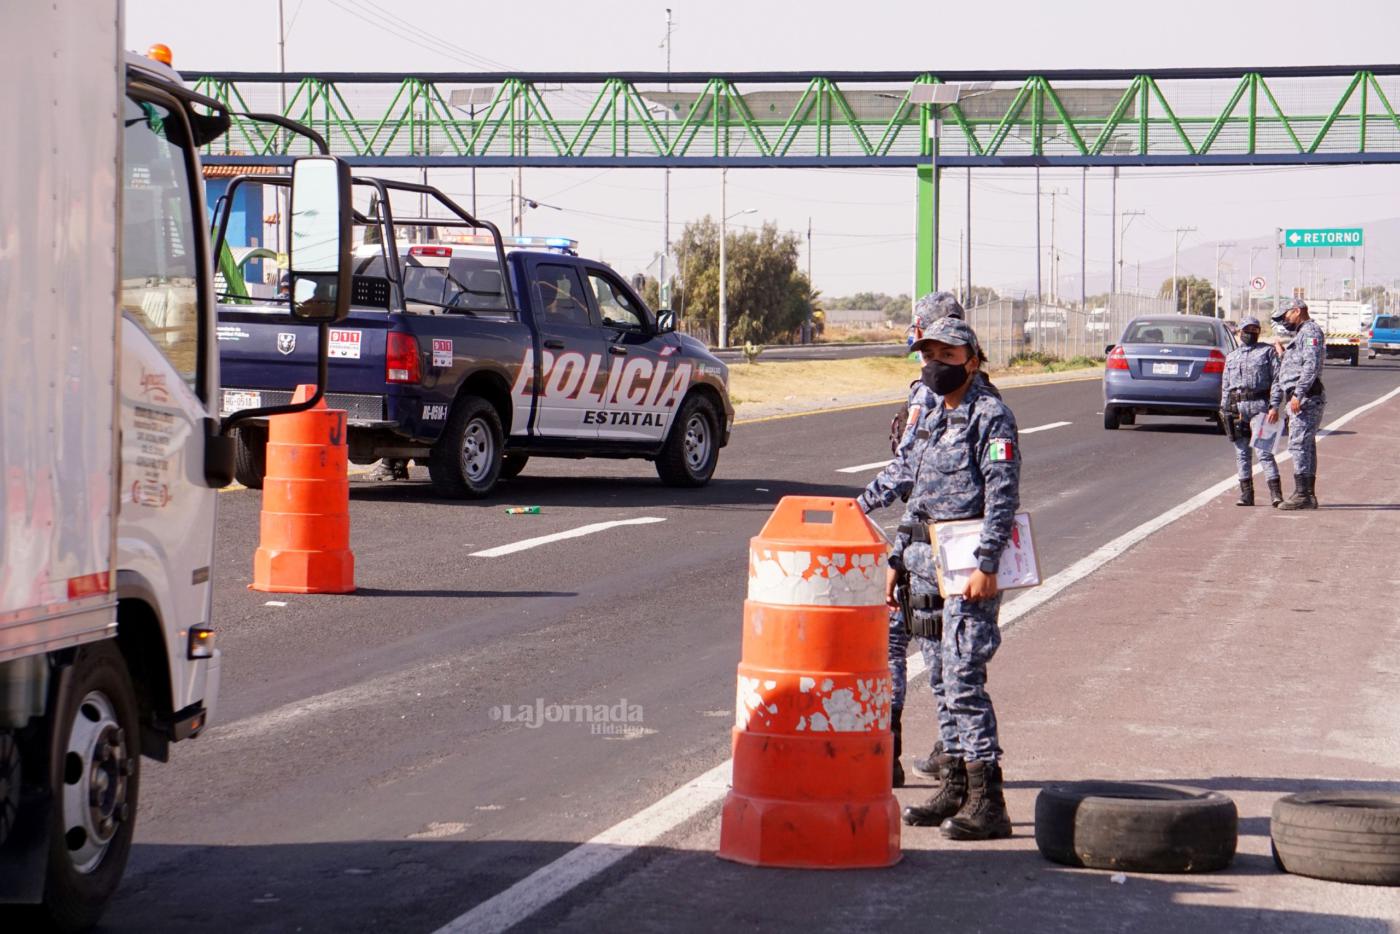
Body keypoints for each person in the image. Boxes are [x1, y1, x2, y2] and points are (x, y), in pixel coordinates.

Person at [880, 315, 1020, 840]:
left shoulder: (992, 416)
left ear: (973, 360)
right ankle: (956, 784)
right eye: (928, 355)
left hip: (968, 570)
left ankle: (989, 801)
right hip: (926, 566)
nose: (936, 365)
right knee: (939, 678)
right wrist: (897, 559)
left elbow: (1003, 495)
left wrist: (988, 565)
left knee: (964, 678)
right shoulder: (936, 415)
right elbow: (916, 493)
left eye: (948, 355)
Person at [857, 291, 964, 788]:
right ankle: (950, 753)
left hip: (928, 545)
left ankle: (891, 754)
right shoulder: (977, 388)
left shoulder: (930, 392)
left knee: (897, 643)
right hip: (945, 543)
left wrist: (860, 504)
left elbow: (907, 470)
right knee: (947, 657)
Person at [1221, 316, 1283, 507]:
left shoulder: (1267, 352)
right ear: (1239, 332)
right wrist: (1223, 410)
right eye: (1247, 330)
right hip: (1237, 409)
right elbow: (1225, 386)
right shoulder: (1231, 357)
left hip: (1261, 407)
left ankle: (1276, 494)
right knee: (1241, 453)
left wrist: (1274, 406)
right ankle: (1246, 494)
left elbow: (1277, 380)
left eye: (1254, 330)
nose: (1250, 333)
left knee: (1264, 452)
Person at [1270, 298, 1326, 509]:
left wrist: (1298, 394)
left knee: (1299, 445)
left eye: (1286, 316)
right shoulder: (1302, 333)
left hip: (1305, 397)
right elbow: (1299, 363)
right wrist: (1283, 355)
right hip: (1303, 396)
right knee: (1306, 445)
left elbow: (1311, 366)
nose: (1285, 321)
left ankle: (1303, 495)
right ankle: (1307, 495)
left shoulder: (1310, 332)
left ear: (1297, 311)